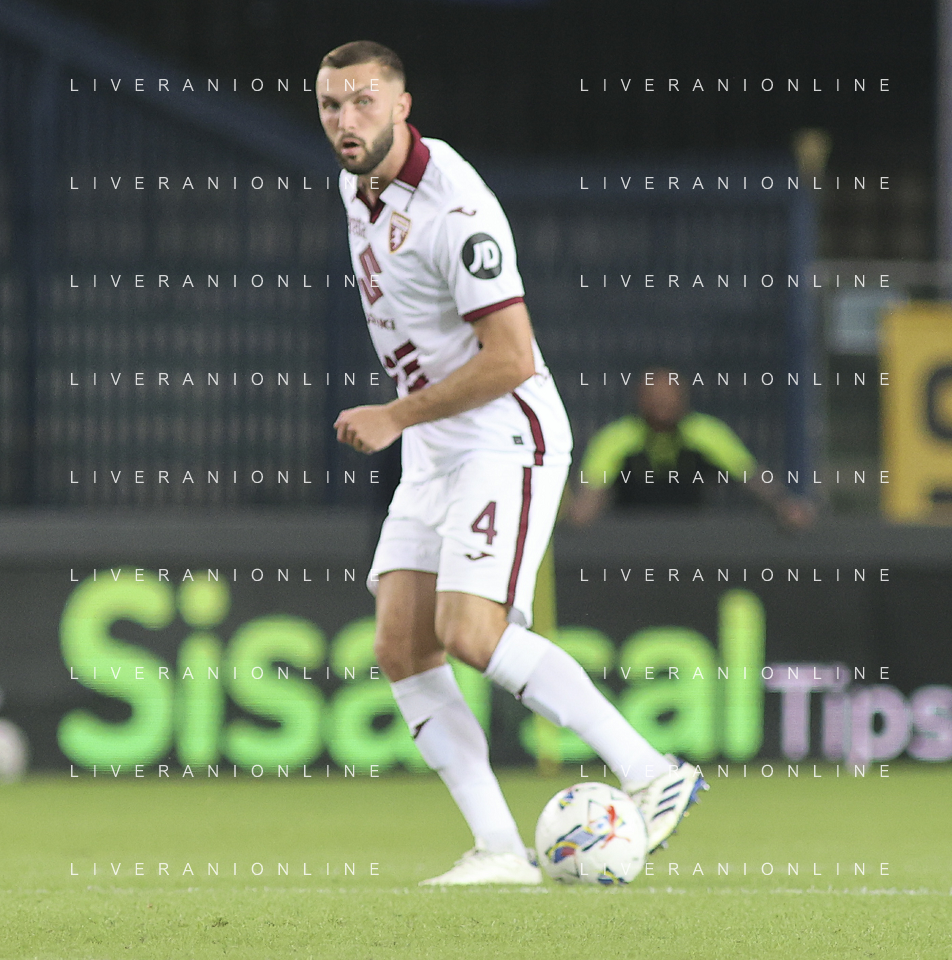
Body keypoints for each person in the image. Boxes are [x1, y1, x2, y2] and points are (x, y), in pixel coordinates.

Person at [317, 41, 706, 885]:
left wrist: (393, 416)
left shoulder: (455, 210)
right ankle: (499, 848)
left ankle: (651, 773)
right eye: (330, 106)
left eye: (363, 102)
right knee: (400, 645)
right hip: (436, 446)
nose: (345, 121)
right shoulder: (356, 187)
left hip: (504, 435)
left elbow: (511, 358)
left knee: (470, 633)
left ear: (402, 107)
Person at [567, 368, 816, 529]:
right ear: (640, 399)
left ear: (683, 398)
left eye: (669, 397)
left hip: (692, 538)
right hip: (631, 540)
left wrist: (785, 505)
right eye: (655, 398)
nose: (662, 405)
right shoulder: (617, 439)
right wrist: (579, 513)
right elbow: (590, 495)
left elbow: (751, 476)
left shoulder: (705, 433)